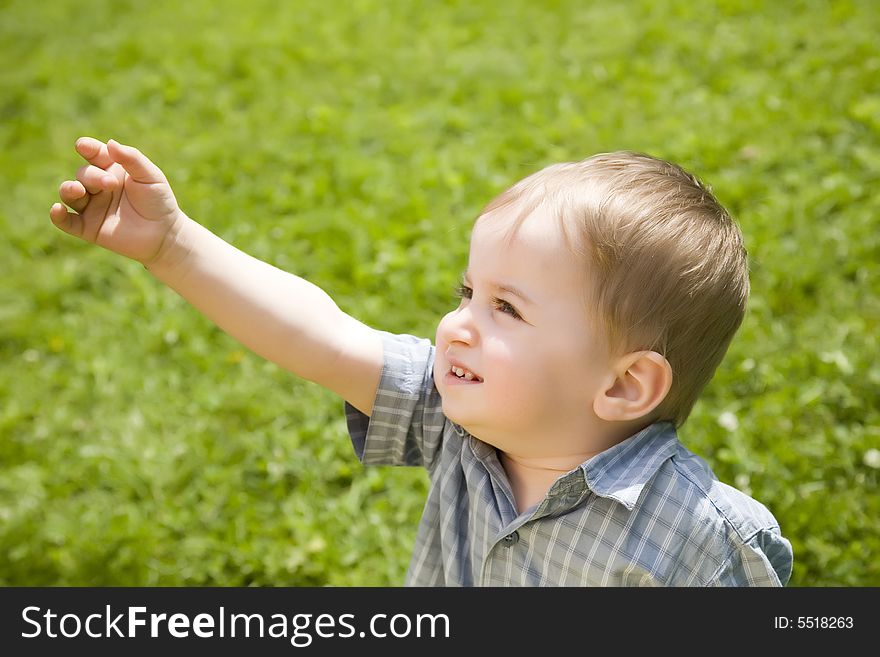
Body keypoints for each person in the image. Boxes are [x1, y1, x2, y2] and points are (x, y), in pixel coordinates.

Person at [50, 137, 793, 586]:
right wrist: (172, 245)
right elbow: (321, 334)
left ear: (624, 383)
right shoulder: (457, 422)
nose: (454, 326)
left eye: (506, 308)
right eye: (468, 292)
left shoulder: (700, 536)